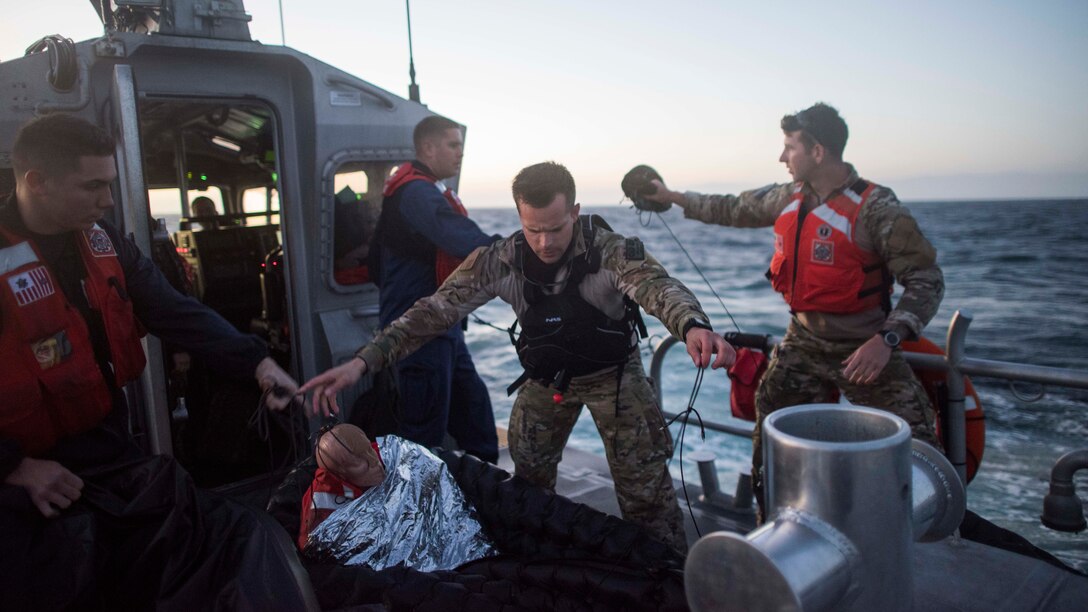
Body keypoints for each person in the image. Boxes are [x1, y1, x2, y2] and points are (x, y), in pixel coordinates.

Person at [303, 161, 735, 552]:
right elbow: (431, 313)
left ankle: (668, 573)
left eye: (555, 228)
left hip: (615, 378)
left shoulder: (611, 250)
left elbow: (660, 289)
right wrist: (363, 361)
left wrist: (692, 326)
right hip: (547, 381)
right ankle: (535, 562)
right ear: (519, 218)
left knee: (646, 494)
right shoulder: (500, 260)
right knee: (526, 484)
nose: (545, 242)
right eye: (533, 229)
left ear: (575, 212)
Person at [0, 113, 308, 609]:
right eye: (93, 186)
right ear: (37, 182)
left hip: (107, 446)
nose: (106, 200)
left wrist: (258, 363)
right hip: (29, 482)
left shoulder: (103, 242)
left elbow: (172, 309)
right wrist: (14, 468)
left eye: (109, 185)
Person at [639, 102, 943, 517]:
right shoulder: (789, 197)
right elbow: (731, 208)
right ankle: (776, 524)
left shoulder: (877, 209)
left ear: (817, 151)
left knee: (921, 446)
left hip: (865, 345)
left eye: (789, 147)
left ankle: (935, 543)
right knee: (772, 428)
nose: (782, 157)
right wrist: (670, 196)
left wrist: (887, 340)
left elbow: (927, 281)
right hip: (802, 340)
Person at [367, 115, 499, 463]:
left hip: (444, 326)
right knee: (422, 437)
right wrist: (512, 252)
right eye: (453, 145)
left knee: (476, 417)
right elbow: (458, 236)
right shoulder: (416, 194)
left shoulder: (419, 189)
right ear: (428, 148)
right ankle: (418, 511)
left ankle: (485, 497)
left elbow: (375, 265)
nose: (460, 154)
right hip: (419, 333)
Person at [298, 423, 385, 549]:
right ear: (340, 474)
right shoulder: (320, 506)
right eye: (360, 462)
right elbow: (312, 548)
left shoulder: (387, 454)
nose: (374, 461)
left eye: (369, 449)